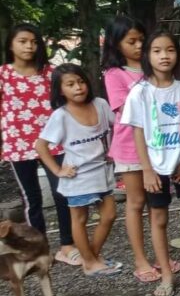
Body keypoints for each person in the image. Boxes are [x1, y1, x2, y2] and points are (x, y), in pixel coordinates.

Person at [122, 29, 180, 296]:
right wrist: (146, 169)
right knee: (158, 218)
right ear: (148, 56)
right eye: (157, 51)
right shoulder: (140, 92)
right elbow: (137, 131)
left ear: (177, 54)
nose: (164, 56)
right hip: (154, 167)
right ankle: (167, 275)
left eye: (170, 50)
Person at [103, 15, 178, 283]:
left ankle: (161, 254)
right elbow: (126, 111)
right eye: (130, 41)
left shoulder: (153, 70)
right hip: (130, 147)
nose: (138, 46)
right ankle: (140, 258)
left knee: (158, 204)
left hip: (160, 147)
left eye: (141, 40)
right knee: (136, 202)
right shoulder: (115, 74)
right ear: (116, 44)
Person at [1, 23, 77, 265]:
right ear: (11, 44)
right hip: (17, 143)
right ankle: (40, 248)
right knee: (31, 198)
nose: (29, 46)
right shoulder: (3, 75)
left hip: (53, 142)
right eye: (23, 41)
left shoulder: (50, 73)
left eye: (34, 42)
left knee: (62, 191)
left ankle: (67, 245)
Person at [35, 64, 121, 276]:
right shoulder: (61, 115)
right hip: (78, 177)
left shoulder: (100, 104)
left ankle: (91, 256)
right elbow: (41, 145)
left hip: (102, 171)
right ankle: (91, 263)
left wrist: (115, 150)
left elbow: (118, 126)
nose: (78, 88)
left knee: (109, 215)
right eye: (70, 84)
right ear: (60, 89)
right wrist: (57, 170)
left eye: (81, 82)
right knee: (79, 219)